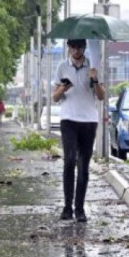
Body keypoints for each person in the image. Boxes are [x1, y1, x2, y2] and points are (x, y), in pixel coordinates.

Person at [52, 39, 105, 223]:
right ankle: (67, 207)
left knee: (83, 165)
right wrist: (63, 88)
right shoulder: (62, 67)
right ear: (69, 48)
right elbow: (55, 97)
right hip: (68, 120)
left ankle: (80, 208)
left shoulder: (93, 66)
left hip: (89, 121)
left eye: (79, 47)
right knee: (69, 160)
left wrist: (95, 80)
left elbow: (101, 96)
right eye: (73, 47)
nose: (76, 50)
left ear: (84, 48)